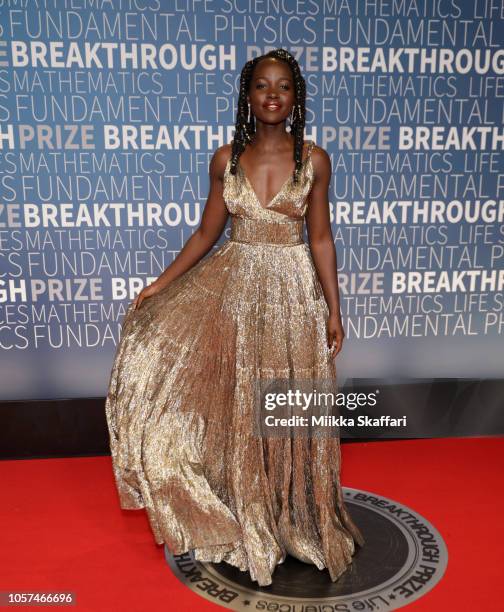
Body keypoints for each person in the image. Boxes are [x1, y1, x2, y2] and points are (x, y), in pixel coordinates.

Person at [105, 48, 365, 587]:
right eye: (263, 86)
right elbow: (206, 233)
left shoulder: (314, 160)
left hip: (294, 296)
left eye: (285, 87)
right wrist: (160, 284)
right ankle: (247, 511)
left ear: (297, 98)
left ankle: (298, 517)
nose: (273, 95)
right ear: (248, 97)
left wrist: (335, 310)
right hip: (239, 296)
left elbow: (320, 238)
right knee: (243, 407)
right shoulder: (225, 159)